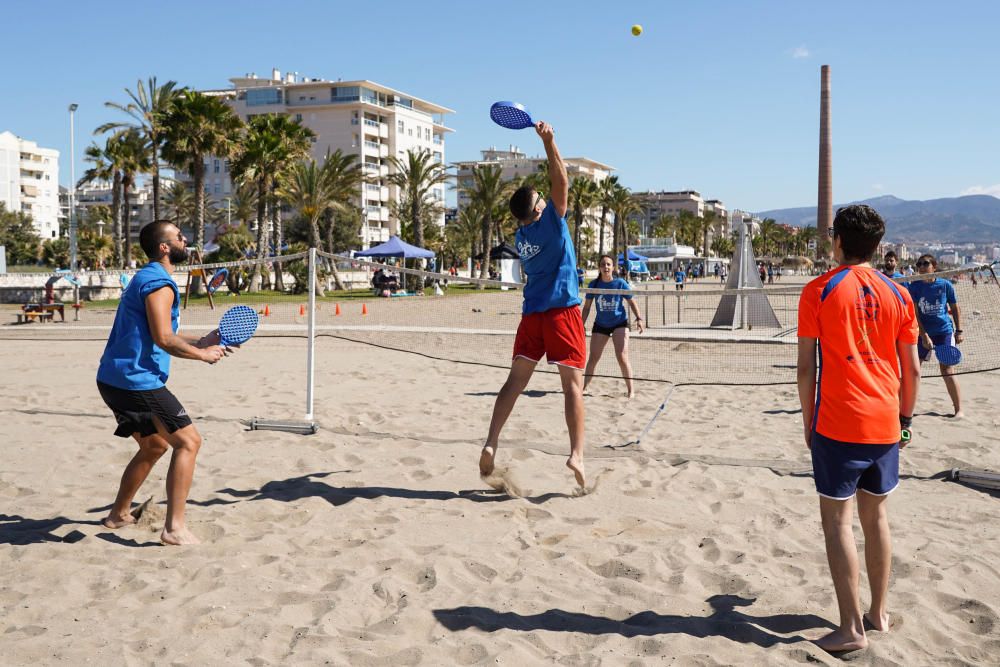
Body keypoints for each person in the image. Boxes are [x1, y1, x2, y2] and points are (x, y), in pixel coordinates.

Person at [797, 205, 920, 652]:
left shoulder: (820, 290)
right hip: (886, 422)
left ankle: (851, 628)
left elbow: (806, 369)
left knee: (837, 522)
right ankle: (879, 614)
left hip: (839, 421)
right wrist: (905, 420)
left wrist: (808, 422)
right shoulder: (898, 293)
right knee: (877, 518)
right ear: (878, 246)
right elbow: (912, 370)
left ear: (838, 242)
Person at [96, 221, 231, 546]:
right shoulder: (159, 284)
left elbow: (159, 334)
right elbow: (164, 339)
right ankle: (174, 529)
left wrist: (201, 341)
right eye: (180, 237)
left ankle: (117, 515)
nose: (186, 240)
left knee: (155, 445)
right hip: (135, 381)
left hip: (113, 378)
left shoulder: (147, 277)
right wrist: (203, 356)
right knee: (188, 442)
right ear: (165, 247)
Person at [479, 121, 587, 488]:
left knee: (514, 382)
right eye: (542, 197)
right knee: (573, 386)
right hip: (562, 312)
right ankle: (577, 453)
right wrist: (549, 141)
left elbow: (554, 188)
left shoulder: (522, 233)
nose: (547, 196)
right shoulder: (551, 224)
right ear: (540, 210)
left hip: (532, 318)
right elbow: (562, 180)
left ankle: (492, 441)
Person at [907, 254, 963, 418]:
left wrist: (959, 330)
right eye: (919, 264)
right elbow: (915, 314)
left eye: (925, 263)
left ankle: (958, 410)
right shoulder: (914, 286)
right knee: (914, 371)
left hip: (943, 331)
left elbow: (955, 308)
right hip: (922, 332)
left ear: (934, 266)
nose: (921, 267)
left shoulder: (945, 285)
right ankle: (907, 410)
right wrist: (923, 335)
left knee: (947, 369)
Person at [581, 255, 645, 398]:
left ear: (613, 267)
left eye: (609, 264)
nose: (606, 267)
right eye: (603, 264)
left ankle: (630, 391)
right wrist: (580, 324)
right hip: (601, 324)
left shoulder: (620, 283)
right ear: (599, 267)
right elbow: (586, 308)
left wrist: (639, 318)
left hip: (619, 323)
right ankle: (584, 387)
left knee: (622, 356)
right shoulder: (594, 285)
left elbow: (632, 302)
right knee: (593, 357)